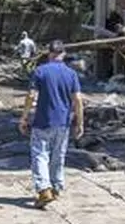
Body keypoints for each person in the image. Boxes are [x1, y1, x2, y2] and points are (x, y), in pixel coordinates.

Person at [19, 39, 84, 207]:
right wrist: (80, 123)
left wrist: (24, 117)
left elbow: (31, 96)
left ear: (49, 54)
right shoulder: (71, 74)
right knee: (58, 156)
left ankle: (44, 189)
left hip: (43, 121)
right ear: (63, 54)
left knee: (40, 155)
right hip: (63, 122)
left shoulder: (40, 71)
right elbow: (77, 99)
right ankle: (55, 187)